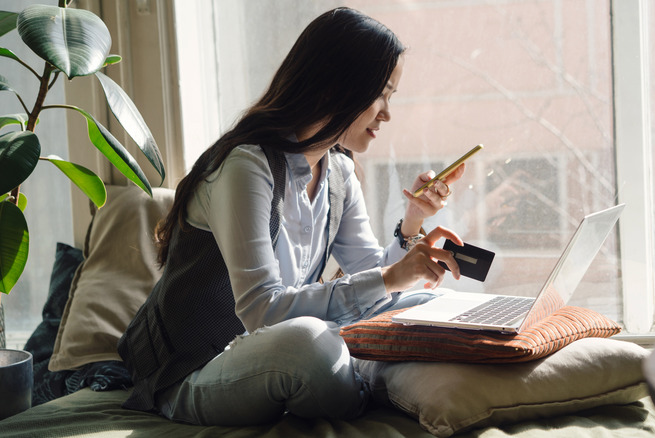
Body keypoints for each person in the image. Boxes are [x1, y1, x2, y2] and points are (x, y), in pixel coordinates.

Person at [118, 7, 466, 427]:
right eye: (381, 94)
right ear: (333, 87)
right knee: (308, 346)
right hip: (198, 369)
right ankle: (374, 378)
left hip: (280, 350)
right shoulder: (246, 166)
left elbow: (371, 276)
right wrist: (390, 279)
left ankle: (371, 370)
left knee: (436, 303)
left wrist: (412, 224)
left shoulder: (337, 171)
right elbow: (262, 311)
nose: (387, 113)